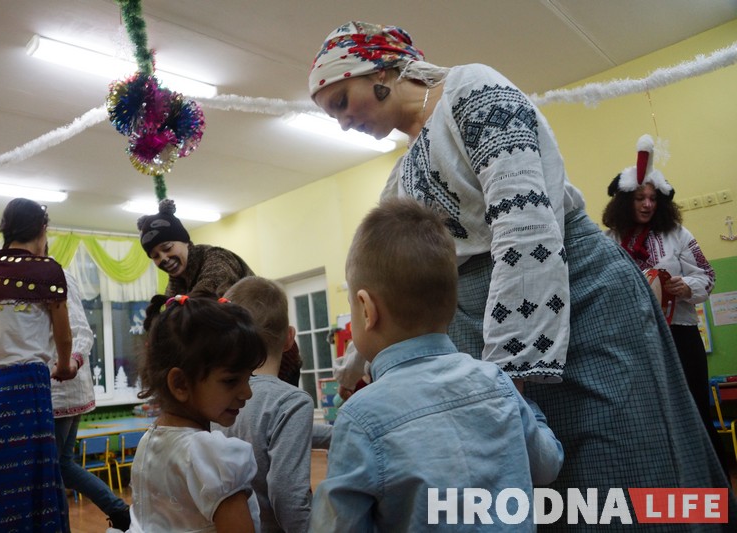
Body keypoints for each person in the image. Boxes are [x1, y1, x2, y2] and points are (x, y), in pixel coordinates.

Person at [309, 21, 735, 527]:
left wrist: (503, 375)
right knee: (546, 484)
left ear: (379, 69)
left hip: (582, 295)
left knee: (617, 461)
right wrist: (357, 361)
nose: (343, 123)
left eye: (341, 102)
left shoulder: (472, 90)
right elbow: (392, 276)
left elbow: (525, 227)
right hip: (494, 327)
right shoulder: (403, 177)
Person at [310, 198, 563, 531]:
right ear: (450, 302)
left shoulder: (360, 419)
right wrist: (528, 406)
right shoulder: (496, 382)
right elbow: (547, 465)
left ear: (366, 309)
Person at [602, 134, 726, 473]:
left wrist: (685, 287)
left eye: (653, 198)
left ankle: (711, 483)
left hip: (680, 336)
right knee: (646, 414)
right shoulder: (608, 242)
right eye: (639, 198)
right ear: (624, 201)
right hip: (632, 341)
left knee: (696, 409)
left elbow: (708, 276)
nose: (647, 205)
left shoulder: (678, 236)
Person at [0, 198, 77, 532]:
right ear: (42, 229)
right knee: (28, 477)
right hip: (27, 385)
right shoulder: (48, 270)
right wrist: (65, 366)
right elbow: (64, 335)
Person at [124, 294, 267, 532]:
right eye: (231, 380)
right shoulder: (212, 456)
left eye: (248, 377)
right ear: (180, 384)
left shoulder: (149, 441)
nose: (247, 393)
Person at [137, 199, 303, 386]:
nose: (164, 258)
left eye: (167, 248)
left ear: (184, 240)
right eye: (155, 256)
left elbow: (201, 301)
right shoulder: (175, 284)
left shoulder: (217, 259)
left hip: (273, 354)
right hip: (242, 358)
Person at [212, 276, 324, 532]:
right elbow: (288, 498)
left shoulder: (216, 398)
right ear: (289, 338)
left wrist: (339, 432)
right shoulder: (291, 402)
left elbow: (268, 431)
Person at [50, 270, 131, 530]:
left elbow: (80, 332)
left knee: (52, 470)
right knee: (63, 466)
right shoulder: (59, 276)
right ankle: (119, 511)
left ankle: (117, 511)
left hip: (60, 391)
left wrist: (70, 362)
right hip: (67, 391)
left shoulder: (54, 275)